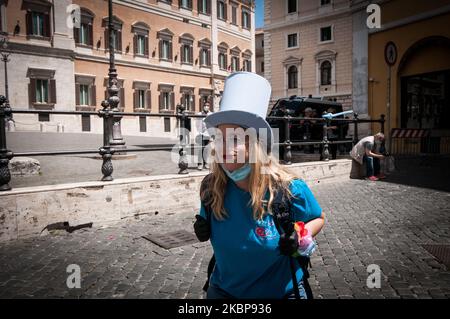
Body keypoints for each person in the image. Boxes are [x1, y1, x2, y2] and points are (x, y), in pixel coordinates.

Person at [193, 72, 325, 299]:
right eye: (220, 138)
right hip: (223, 293)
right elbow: (207, 220)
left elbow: (318, 218)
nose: (224, 146)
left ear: (256, 145)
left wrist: (299, 235)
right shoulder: (211, 187)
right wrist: (202, 223)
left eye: (234, 139)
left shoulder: (288, 188)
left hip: (281, 293)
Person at [196, 102, 213, 170]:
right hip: (201, 134)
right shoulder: (199, 114)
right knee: (200, 149)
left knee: (207, 150)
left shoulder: (211, 114)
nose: (206, 106)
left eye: (208, 105)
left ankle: (206, 163)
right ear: (203, 106)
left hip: (208, 134)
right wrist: (198, 132)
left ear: (209, 106)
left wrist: (212, 135)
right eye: (205, 105)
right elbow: (197, 124)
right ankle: (200, 164)